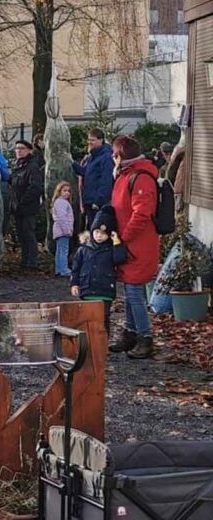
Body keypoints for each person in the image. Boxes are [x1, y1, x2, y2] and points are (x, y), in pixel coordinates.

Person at [108, 135, 160, 359]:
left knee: (134, 292)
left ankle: (145, 338)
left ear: (120, 155)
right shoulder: (127, 174)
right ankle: (130, 332)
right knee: (130, 292)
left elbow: (142, 213)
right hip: (131, 244)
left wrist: (124, 237)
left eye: (114, 154)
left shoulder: (140, 177)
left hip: (138, 244)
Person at [70, 205, 127, 335]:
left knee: (104, 317)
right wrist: (74, 283)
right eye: (96, 232)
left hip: (105, 290)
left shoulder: (111, 248)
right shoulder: (84, 249)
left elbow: (120, 259)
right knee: (87, 317)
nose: (99, 236)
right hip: (87, 288)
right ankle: (89, 340)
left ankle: (103, 341)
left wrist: (116, 242)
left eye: (103, 233)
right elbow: (76, 268)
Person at [10, 139, 43, 269]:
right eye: (17, 148)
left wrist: (23, 201)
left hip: (27, 208)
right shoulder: (18, 165)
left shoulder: (32, 166)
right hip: (17, 207)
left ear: (29, 150)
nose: (18, 151)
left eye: (22, 148)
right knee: (22, 235)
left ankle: (31, 262)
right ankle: (25, 261)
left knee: (28, 234)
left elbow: (35, 187)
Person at [71, 128, 113, 230]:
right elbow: (85, 172)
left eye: (93, 140)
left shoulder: (106, 157)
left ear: (101, 140)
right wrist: (72, 163)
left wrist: (99, 201)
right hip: (89, 201)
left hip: (96, 203)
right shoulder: (92, 156)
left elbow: (106, 181)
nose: (90, 142)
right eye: (89, 140)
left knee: (97, 231)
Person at [51, 181, 74, 277]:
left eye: (68, 191)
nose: (67, 193)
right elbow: (62, 218)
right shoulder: (61, 202)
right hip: (63, 230)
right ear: (59, 191)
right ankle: (63, 269)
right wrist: (67, 231)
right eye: (64, 191)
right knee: (63, 250)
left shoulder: (59, 202)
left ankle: (59, 269)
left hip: (59, 230)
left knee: (60, 249)